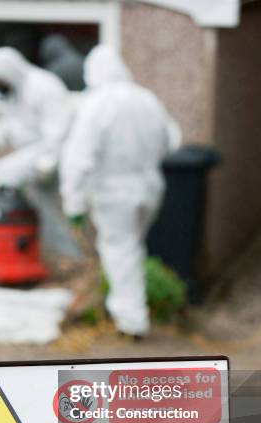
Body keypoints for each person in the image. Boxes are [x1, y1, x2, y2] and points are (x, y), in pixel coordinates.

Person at [60, 45, 181, 337]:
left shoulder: (97, 103)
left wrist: (73, 203)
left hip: (114, 191)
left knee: (120, 251)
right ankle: (125, 308)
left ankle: (131, 323)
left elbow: (78, 157)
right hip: (151, 187)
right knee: (131, 248)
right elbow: (172, 140)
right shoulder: (147, 98)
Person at [0, 47, 71, 188]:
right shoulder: (13, 91)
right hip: (29, 152)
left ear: (8, 73)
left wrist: (47, 162)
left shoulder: (44, 86)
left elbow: (57, 130)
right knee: (40, 201)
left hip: (47, 152)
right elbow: (8, 120)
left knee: (3, 172)